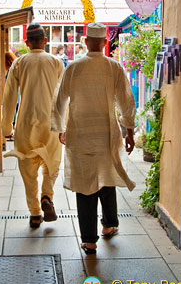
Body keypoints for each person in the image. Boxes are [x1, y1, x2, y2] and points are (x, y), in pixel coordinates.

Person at [51, 22, 136, 254]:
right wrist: (129, 131)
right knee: (107, 176)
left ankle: (89, 240)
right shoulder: (114, 67)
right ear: (105, 42)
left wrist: (60, 127)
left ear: (86, 42)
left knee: (85, 185)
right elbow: (126, 103)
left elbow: (60, 100)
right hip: (107, 133)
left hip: (80, 133)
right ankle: (109, 225)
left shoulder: (74, 68)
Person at [2, 23, 64, 228]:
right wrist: (65, 127)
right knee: (51, 164)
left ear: (27, 42)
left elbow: (9, 96)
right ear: (45, 42)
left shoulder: (19, 63)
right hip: (51, 123)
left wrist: (6, 128)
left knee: (28, 170)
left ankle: (35, 213)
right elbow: (65, 97)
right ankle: (47, 195)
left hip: (26, 123)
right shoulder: (56, 62)